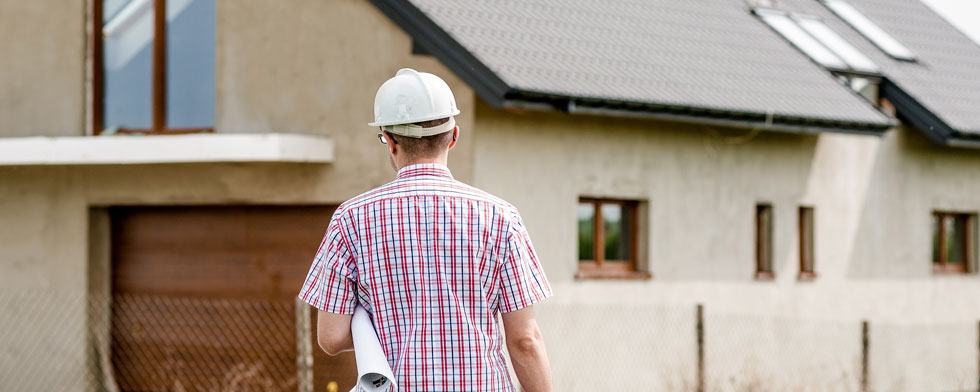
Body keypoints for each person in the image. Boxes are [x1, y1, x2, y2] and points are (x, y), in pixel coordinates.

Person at [298, 68, 554, 391]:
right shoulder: (501, 218)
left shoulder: (350, 220)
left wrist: (386, 323)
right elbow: (525, 341)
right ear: (454, 136)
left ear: (390, 141)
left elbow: (331, 337)